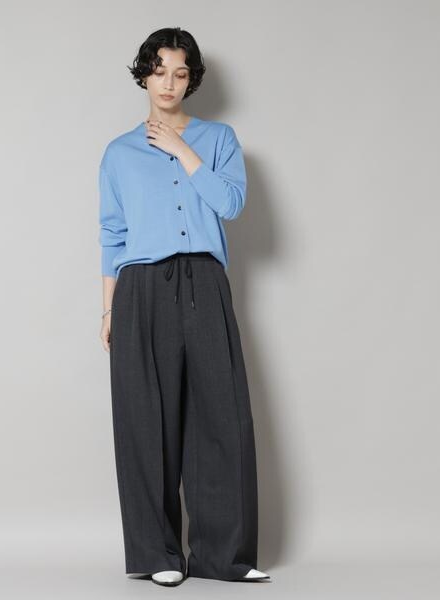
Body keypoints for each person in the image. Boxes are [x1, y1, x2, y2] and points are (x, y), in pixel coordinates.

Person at [98, 27, 270, 587]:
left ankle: (224, 556)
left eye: (179, 73)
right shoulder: (118, 153)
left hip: (204, 280)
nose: (168, 83)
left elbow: (232, 203)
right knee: (144, 419)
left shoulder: (218, 139)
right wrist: (108, 311)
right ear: (144, 76)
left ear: (191, 79)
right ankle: (158, 555)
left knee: (222, 415)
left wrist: (183, 151)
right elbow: (113, 235)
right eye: (159, 71)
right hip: (141, 287)